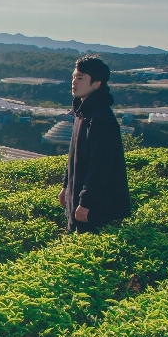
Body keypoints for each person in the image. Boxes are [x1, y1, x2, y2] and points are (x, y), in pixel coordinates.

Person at [58, 55, 131, 232]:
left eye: (80, 78)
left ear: (97, 83)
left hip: (98, 208)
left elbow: (100, 166)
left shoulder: (102, 119)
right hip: (80, 201)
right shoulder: (81, 113)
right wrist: (65, 186)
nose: (74, 82)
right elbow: (74, 156)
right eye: (74, 77)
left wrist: (86, 202)